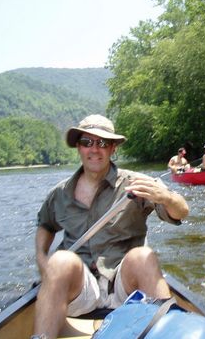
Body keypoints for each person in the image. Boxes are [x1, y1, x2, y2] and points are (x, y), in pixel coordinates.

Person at [32, 114, 189, 339]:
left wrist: (165, 197)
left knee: (143, 256)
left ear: (113, 148)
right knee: (60, 261)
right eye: (87, 142)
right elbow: (45, 224)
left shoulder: (136, 184)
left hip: (126, 287)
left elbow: (181, 211)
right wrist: (41, 258)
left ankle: (166, 333)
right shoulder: (60, 194)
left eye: (102, 143)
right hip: (81, 289)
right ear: (78, 147)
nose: (94, 149)